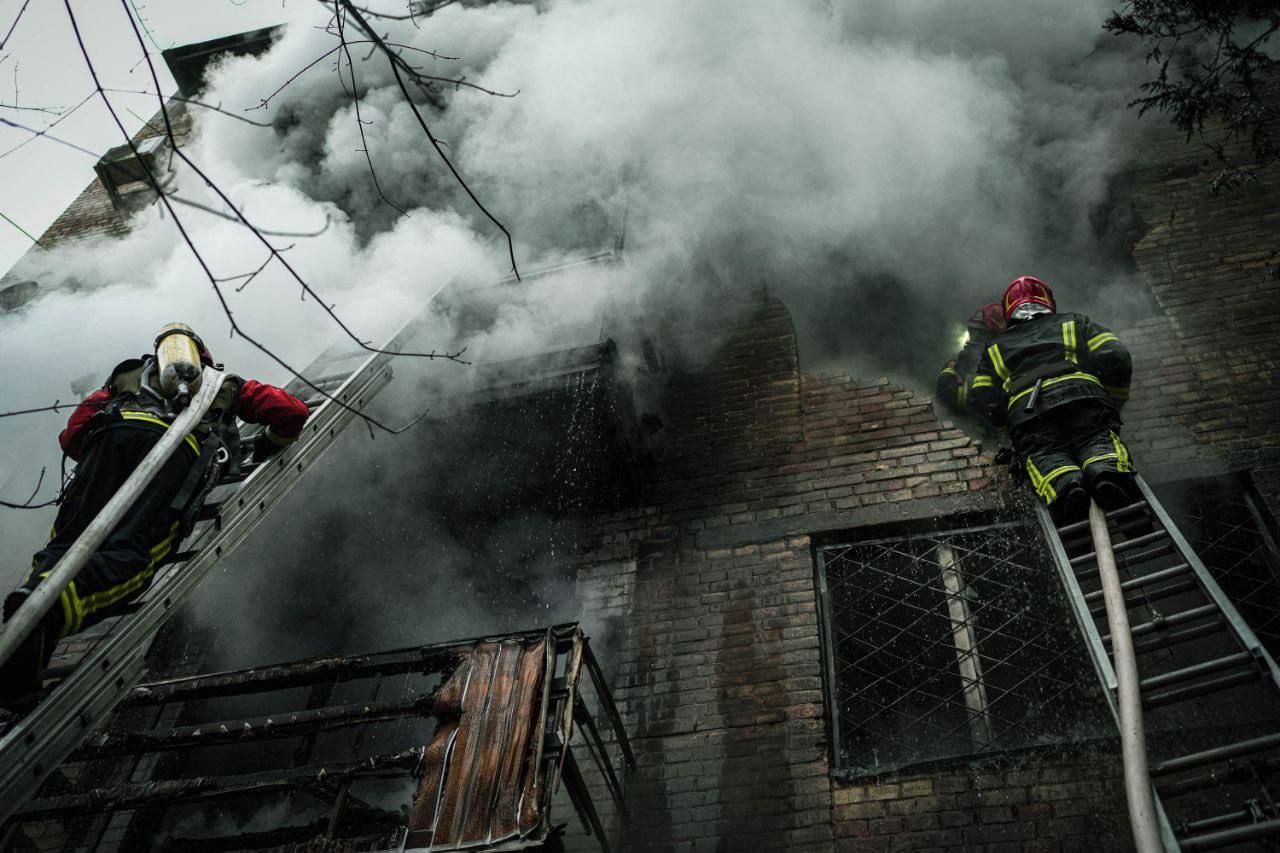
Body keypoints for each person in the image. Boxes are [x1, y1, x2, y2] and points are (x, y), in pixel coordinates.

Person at [0, 324, 309, 709]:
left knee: (67, 544)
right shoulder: (223, 385)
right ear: (203, 357)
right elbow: (292, 412)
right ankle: (56, 607)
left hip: (106, 444)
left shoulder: (123, 380)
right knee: (131, 556)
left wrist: (108, 465)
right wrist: (269, 442)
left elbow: (73, 434)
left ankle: (31, 599)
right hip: (170, 457)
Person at [969, 276, 1134, 523]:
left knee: (1046, 455)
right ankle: (1108, 477)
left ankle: (1067, 490)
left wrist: (1006, 429)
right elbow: (1116, 355)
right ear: (1049, 302)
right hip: (1082, 397)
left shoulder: (994, 346)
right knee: (1096, 442)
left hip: (1028, 413)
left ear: (1009, 311)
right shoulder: (1074, 322)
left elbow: (982, 396)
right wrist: (1112, 399)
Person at [936, 302, 1006, 417]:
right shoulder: (958, 360)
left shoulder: (1005, 361)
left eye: (981, 335)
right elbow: (945, 395)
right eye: (973, 333)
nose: (974, 340)